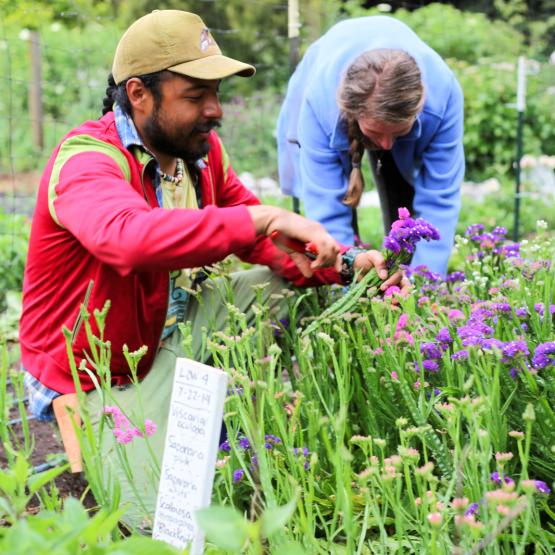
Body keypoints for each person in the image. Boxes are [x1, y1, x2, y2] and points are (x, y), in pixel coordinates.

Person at [19, 10, 406, 529]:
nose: (216, 109)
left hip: (169, 328)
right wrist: (260, 217)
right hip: (100, 369)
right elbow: (127, 240)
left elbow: (267, 242)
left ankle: (235, 417)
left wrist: (349, 269)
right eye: (196, 95)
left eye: (216, 92)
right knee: (165, 521)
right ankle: (96, 431)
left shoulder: (198, 156)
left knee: (281, 288)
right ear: (138, 94)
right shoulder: (89, 161)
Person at [277, 15, 465, 275]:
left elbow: (439, 197)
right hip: (324, 85)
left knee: (403, 202)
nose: (386, 145)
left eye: (398, 131)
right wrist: (346, 278)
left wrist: (426, 284)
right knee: (330, 221)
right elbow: (326, 209)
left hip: (416, 109)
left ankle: (400, 278)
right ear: (353, 114)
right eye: (377, 133)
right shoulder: (319, 104)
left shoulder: (442, 98)